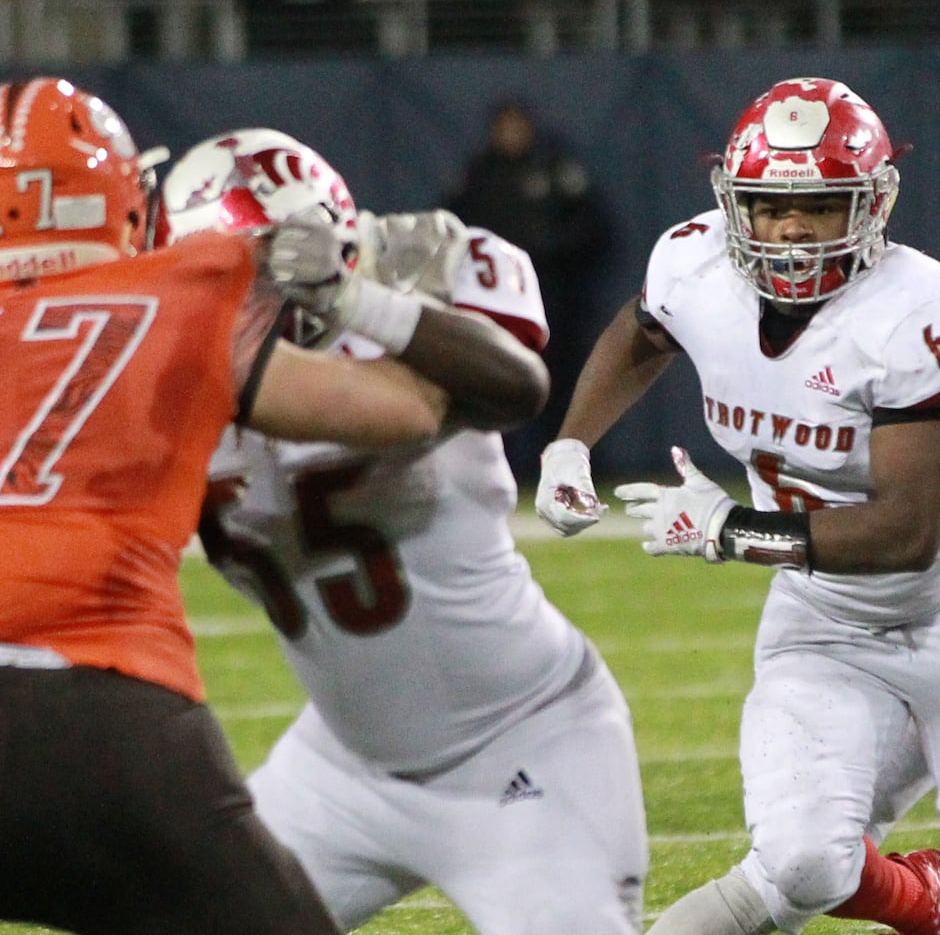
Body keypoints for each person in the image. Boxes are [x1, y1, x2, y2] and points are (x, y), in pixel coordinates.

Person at [535, 77, 940, 935]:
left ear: (868, 205)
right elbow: (642, 333)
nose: (790, 229)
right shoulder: (693, 262)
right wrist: (571, 441)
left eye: (821, 205)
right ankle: (926, 905)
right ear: (732, 203)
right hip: (822, 617)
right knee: (800, 860)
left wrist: (729, 531)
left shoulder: (919, 311)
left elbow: (906, 532)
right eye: (769, 206)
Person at [0, 77, 548, 935]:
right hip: (99, 712)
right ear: (113, 202)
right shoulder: (173, 298)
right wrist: (376, 291)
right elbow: (410, 410)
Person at [156, 128, 648, 934]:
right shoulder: (172, 372)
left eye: (266, 272)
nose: (247, 302)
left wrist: (360, 300)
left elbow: (513, 388)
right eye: (222, 277)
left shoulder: (411, 302)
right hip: (342, 770)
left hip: (525, 751)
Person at [443, 97, 615, 482]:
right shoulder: (479, 174)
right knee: (497, 390)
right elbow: (450, 235)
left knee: (567, 389)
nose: (512, 135)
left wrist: (551, 248)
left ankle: (580, 467)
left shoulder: (556, 168)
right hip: (493, 309)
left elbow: (598, 231)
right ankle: (502, 472)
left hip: (557, 303)